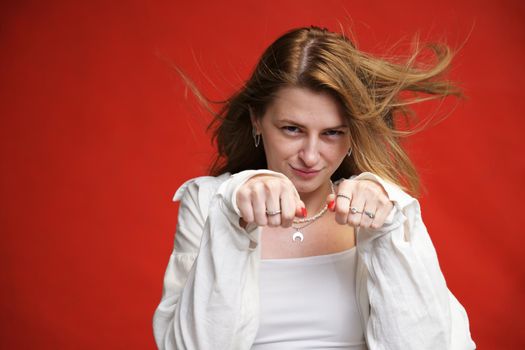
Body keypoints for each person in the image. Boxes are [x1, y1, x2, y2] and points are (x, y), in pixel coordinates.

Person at [153, 26, 476, 349]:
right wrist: (233, 218)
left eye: (332, 133)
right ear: (256, 119)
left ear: (353, 133)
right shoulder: (211, 202)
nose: (310, 156)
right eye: (292, 129)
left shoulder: (382, 207)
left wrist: (386, 231)